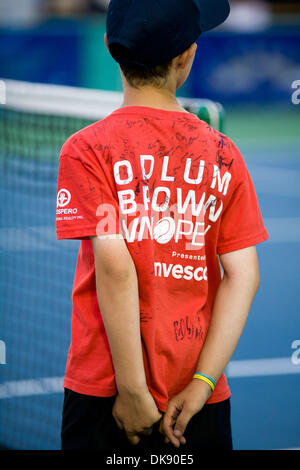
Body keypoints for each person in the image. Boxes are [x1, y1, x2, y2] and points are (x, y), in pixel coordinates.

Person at [56, 0, 269, 452]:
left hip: (105, 390)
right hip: (197, 400)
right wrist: (203, 383)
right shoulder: (224, 154)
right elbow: (245, 276)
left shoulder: (86, 149)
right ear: (186, 57)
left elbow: (115, 267)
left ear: (112, 47)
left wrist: (133, 392)